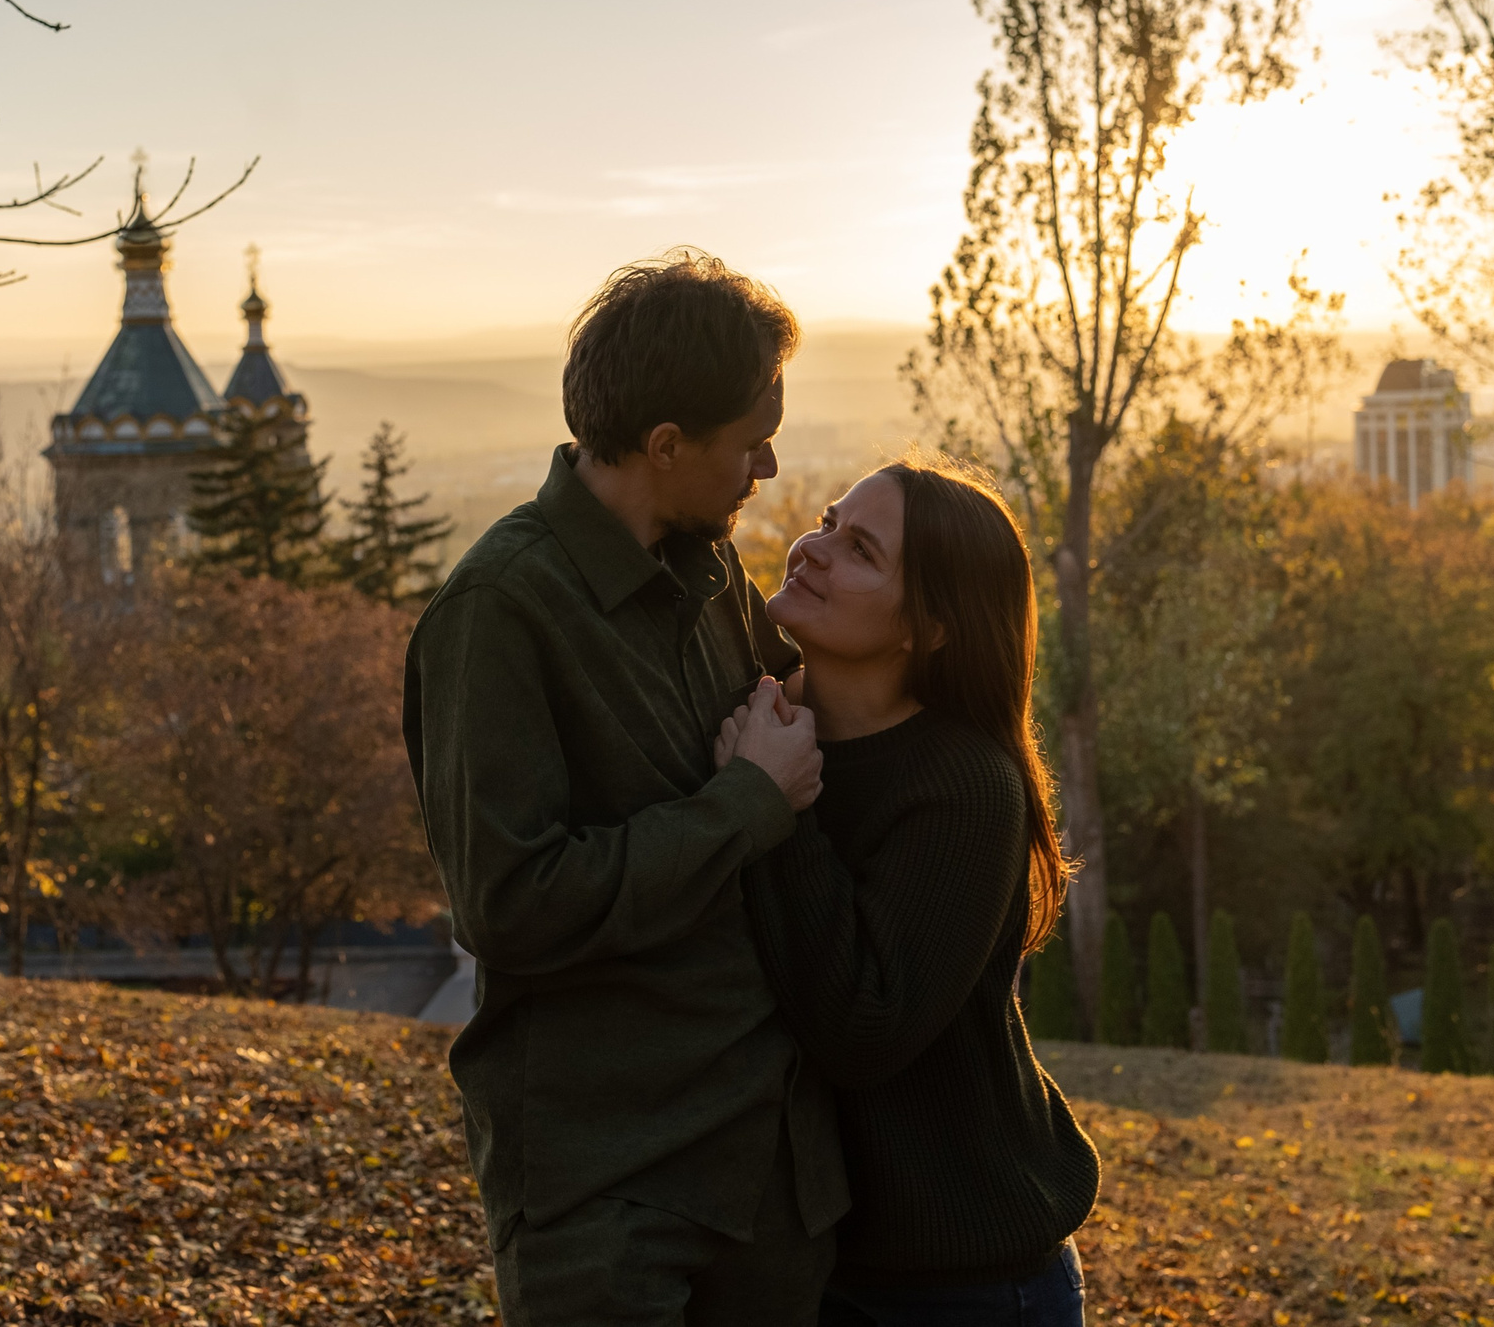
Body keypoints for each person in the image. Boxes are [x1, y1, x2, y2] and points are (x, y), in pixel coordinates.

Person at [404, 250, 848, 1327]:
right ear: (663, 446)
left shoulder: (706, 576)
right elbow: (510, 905)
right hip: (607, 1186)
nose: (768, 467)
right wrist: (744, 801)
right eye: (749, 442)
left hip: (767, 1175)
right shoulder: (500, 614)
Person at [721, 457, 1097, 1327]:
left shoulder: (963, 787)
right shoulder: (762, 722)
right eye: (826, 521)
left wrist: (775, 805)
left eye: (860, 549)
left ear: (928, 627)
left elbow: (863, 1028)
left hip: (963, 1280)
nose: (812, 548)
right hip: (812, 1265)